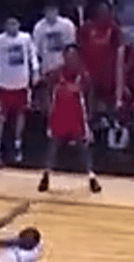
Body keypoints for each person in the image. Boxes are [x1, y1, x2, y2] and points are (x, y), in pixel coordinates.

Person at [38, 45, 101, 194]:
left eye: (73, 56)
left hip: (77, 117)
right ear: (64, 57)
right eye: (68, 56)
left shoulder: (83, 76)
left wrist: (90, 116)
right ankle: (45, 176)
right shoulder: (56, 74)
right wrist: (46, 107)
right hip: (59, 116)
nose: (71, 59)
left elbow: (90, 97)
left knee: (83, 148)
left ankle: (92, 177)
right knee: (53, 147)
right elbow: (44, 86)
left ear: (78, 58)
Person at [0, 16, 39, 164]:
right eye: (9, 24)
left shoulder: (26, 38)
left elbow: (33, 56)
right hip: (3, 84)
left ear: (18, 25)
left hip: (22, 84)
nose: (12, 26)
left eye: (15, 23)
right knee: (1, 117)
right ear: (5, 25)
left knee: (20, 114)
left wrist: (35, 71)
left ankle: (17, 144)